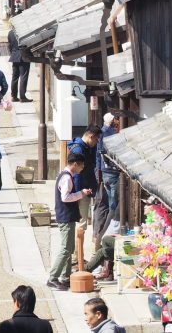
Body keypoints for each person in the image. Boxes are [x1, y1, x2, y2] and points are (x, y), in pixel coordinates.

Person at [47, 152, 92, 290]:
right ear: (75, 164)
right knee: (66, 249)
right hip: (65, 217)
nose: (82, 168)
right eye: (81, 165)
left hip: (67, 216)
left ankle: (66, 277)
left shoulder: (65, 175)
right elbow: (65, 197)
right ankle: (53, 277)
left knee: (69, 248)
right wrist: (81, 194)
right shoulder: (67, 178)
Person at [68, 126, 101, 235]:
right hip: (81, 190)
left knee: (81, 223)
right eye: (96, 139)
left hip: (83, 189)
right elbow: (77, 174)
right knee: (81, 224)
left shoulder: (84, 147)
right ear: (91, 137)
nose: (96, 143)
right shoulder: (79, 149)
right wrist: (78, 194)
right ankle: (78, 252)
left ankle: (77, 251)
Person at [97, 113, 121, 236]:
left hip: (104, 171)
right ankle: (107, 232)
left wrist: (98, 171)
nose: (118, 122)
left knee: (109, 202)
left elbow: (98, 154)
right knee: (113, 204)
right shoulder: (110, 134)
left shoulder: (101, 132)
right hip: (112, 172)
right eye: (116, 120)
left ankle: (101, 232)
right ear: (112, 122)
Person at [7, 29, 31, 102]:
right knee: (23, 76)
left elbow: (9, 45)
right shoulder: (25, 31)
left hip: (14, 55)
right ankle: (22, 97)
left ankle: (14, 96)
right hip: (24, 56)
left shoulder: (10, 32)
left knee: (15, 77)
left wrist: (13, 53)